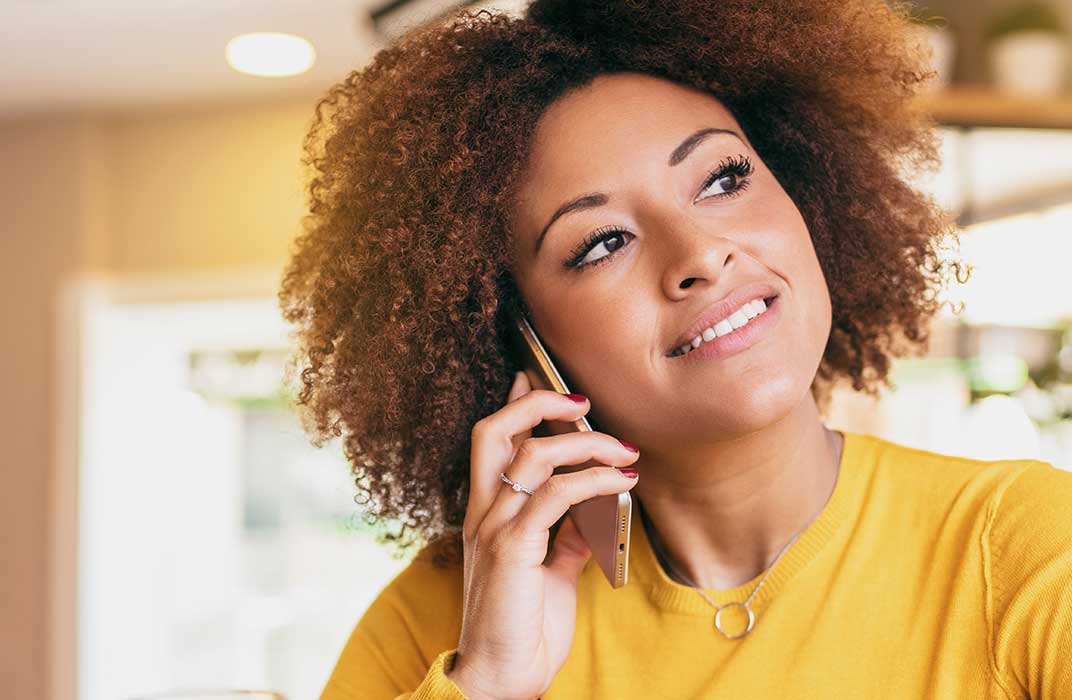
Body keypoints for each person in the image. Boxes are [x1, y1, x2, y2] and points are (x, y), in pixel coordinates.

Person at [276, 0, 1072, 697]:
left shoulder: (1024, 546)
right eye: (602, 242)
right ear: (516, 339)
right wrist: (488, 684)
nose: (698, 254)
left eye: (723, 179)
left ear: (806, 192)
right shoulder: (441, 623)